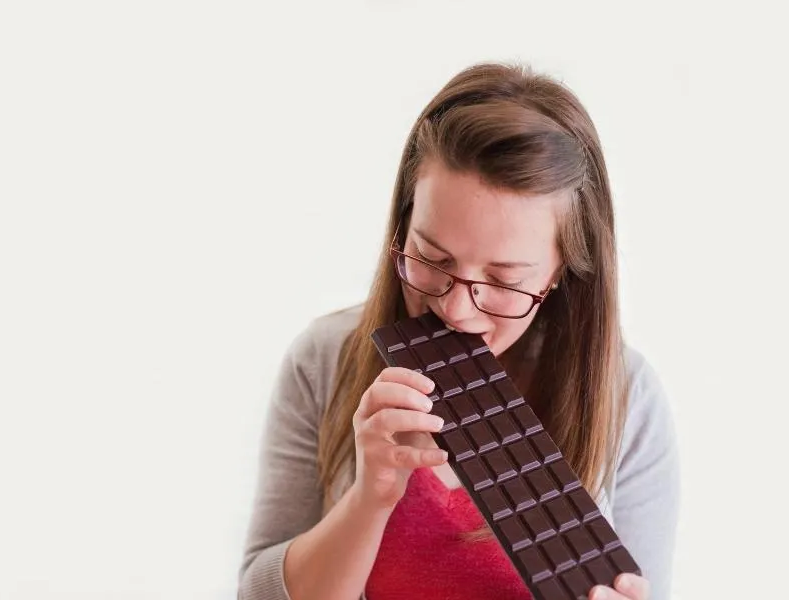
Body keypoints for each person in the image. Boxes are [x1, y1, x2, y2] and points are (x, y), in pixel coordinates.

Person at [237, 62, 680, 600]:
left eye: (504, 280)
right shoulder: (325, 359)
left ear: (562, 271)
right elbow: (255, 594)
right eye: (431, 257)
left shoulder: (627, 398)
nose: (455, 309)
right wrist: (371, 496)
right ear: (402, 224)